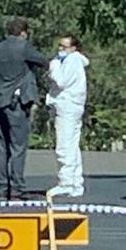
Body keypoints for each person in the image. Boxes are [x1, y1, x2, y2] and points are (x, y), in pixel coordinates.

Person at [0, 18, 48, 200]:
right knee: (18, 146)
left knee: (2, 147)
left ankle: (2, 189)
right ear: (23, 33)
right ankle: (16, 189)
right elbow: (44, 61)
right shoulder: (24, 47)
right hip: (17, 102)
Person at [45, 35, 90, 197]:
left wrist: (54, 65)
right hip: (72, 105)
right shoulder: (75, 62)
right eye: (59, 46)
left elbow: (61, 81)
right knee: (72, 145)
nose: (60, 50)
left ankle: (66, 181)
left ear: (73, 48)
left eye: (64, 46)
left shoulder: (72, 61)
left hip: (67, 105)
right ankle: (76, 182)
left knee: (64, 145)